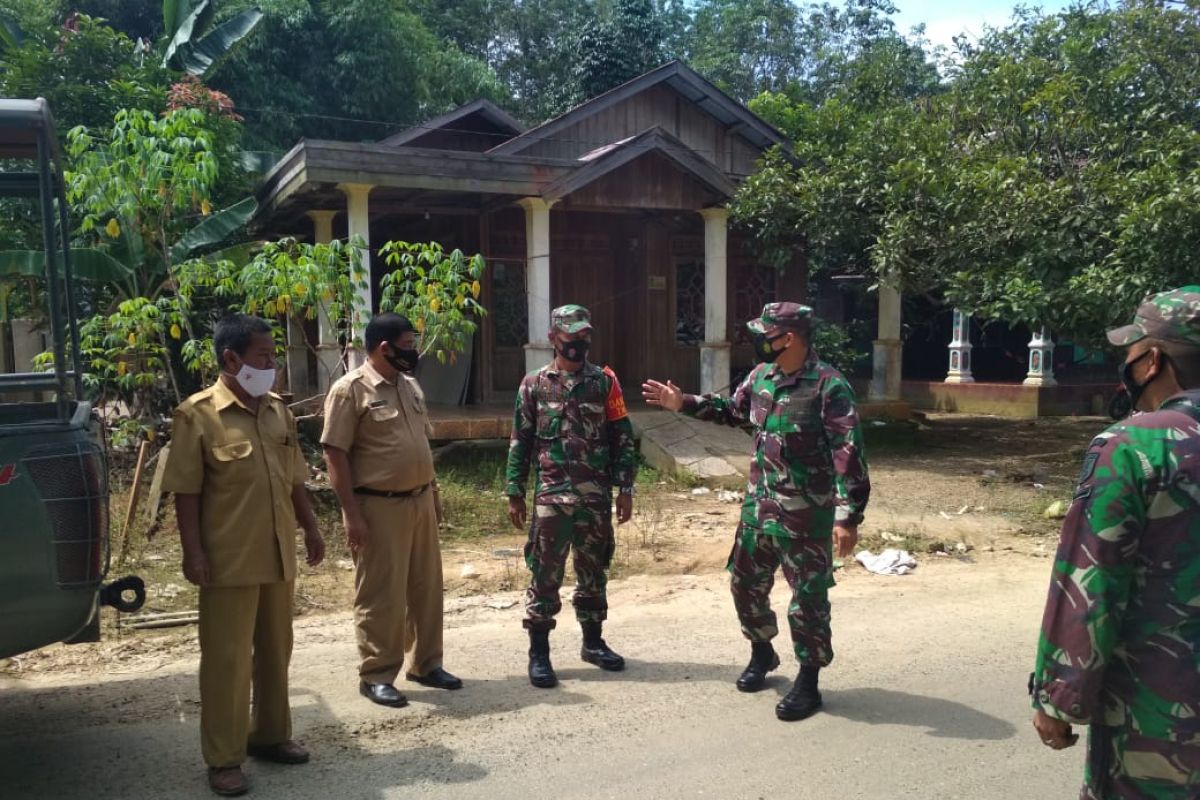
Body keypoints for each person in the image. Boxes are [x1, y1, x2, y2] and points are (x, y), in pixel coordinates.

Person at [642, 301, 869, 722]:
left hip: (805, 516)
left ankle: (809, 681)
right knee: (745, 586)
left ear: (790, 338)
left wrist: (847, 514)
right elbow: (732, 410)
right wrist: (683, 402)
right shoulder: (761, 377)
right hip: (758, 511)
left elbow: (847, 453)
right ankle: (762, 652)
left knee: (808, 602)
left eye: (766, 334)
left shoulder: (828, 386)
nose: (759, 342)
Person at [1030, 286, 1200, 799]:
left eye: (1130, 350)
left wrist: (1058, 697)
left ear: (1152, 361)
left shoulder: (1133, 445)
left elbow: (1091, 579)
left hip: (1160, 712)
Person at [162, 313, 325, 797]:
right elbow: (185, 493)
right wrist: (193, 554)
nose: (272, 364)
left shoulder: (278, 411)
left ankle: (271, 736)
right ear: (231, 358)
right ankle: (224, 758)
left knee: (276, 651)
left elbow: (294, 478)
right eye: (264, 356)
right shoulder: (197, 415)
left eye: (274, 356)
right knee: (227, 661)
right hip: (228, 559)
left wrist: (312, 528)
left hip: (277, 555)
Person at [321, 312, 462, 709]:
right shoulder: (350, 391)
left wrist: (431, 490)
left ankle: (426, 664)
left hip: (418, 501)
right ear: (385, 348)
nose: (413, 352)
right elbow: (335, 453)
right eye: (408, 345)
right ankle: (377, 674)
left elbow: (420, 442)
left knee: (426, 587)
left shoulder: (410, 386)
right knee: (381, 593)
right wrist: (351, 513)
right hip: (377, 506)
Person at [505, 304, 637, 688]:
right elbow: (521, 440)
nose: (578, 344)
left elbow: (622, 437)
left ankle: (593, 643)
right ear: (553, 338)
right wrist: (514, 490)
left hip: (595, 497)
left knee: (594, 571)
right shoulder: (533, 384)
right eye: (570, 337)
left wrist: (625, 488)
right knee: (545, 573)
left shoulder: (605, 382)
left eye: (584, 337)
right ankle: (540, 653)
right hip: (552, 497)